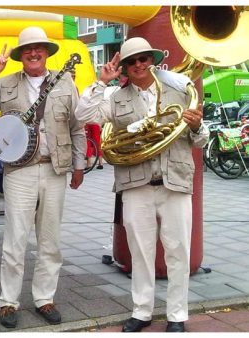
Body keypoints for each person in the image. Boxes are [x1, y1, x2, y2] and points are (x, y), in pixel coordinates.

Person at [75, 37, 209, 333]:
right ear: (123, 67)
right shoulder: (115, 97)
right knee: (140, 251)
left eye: (143, 59)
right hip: (135, 184)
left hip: (174, 181)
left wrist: (198, 125)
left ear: (152, 60)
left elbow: (200, 140)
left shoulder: (178, 91)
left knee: (178, 251)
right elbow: (83, 115)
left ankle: (177, 315)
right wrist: (100, 83)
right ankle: (142, 311)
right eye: (131, 62)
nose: (138, 65)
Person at [0, 26, 86, 328]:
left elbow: (77, 126)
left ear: (47, 52)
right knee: (15, 241)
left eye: (39, 48)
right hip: (18, 171)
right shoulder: (6, 82)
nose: (34, 53)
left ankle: (44, 298)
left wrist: (78, 164)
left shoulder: (65, 83)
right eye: (28, 49)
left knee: (50, 241)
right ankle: (8, 302)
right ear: (21, 56)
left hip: (54, 169)